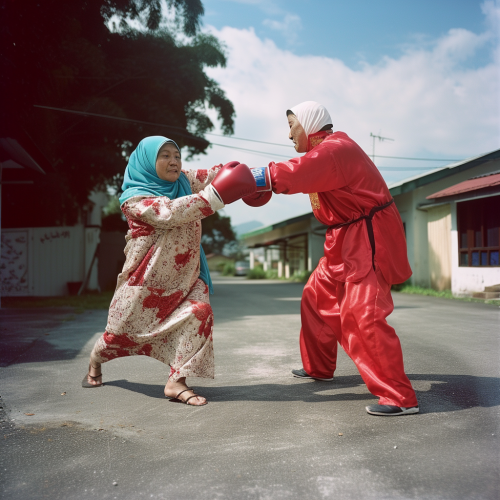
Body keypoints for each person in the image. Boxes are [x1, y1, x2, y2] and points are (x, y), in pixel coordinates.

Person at [244, 101, 419, 416]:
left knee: (361, 314)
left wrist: (250, 177)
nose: (288, 135)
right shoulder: (323, 152)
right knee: (314, 296)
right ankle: (319, 368)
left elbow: (295, 174)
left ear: (309, 124)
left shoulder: (336, 149)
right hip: (341, 237)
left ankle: (399, 398)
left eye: (291, 125)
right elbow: (303, 174)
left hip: (368, 235)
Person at [82, 136, 255, 406]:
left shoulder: (183, 180)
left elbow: (213, 174)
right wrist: (217, 195)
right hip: (145, 282)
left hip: (188, 277)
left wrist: (258, 177)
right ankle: (95, 362)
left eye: (177, 155)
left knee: (199, 312)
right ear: (147, 161)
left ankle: (177, 381)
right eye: (165, 155)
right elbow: (170, 213)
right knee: (119, 334)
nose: (174, 161)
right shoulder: (134, 200)